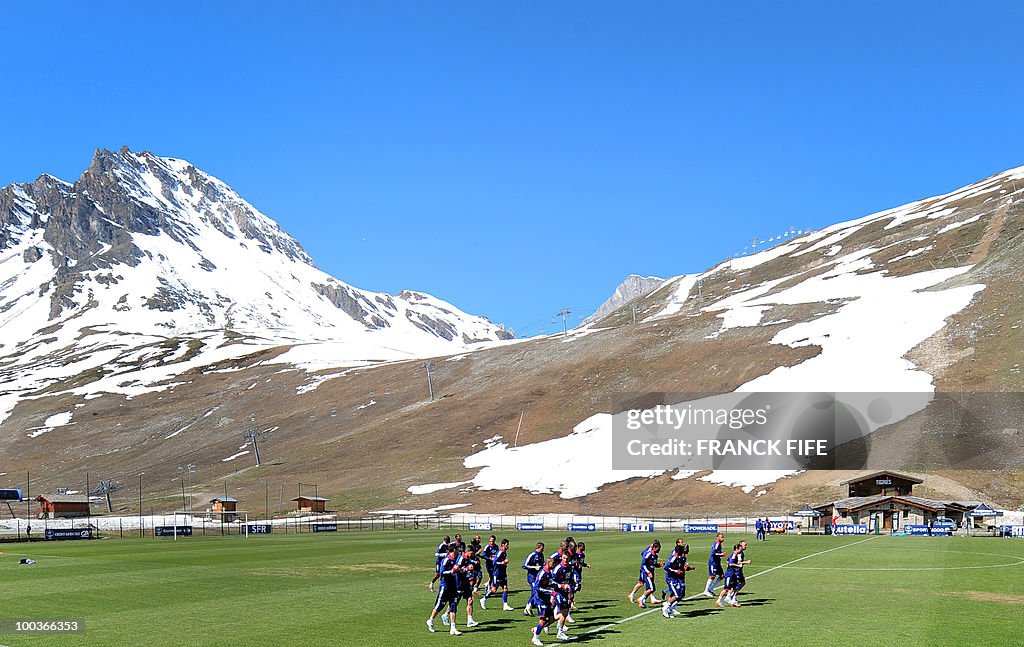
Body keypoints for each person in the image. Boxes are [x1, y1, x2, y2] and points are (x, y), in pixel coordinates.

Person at [427, 544, 462, 635]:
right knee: (439, 606)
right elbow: (442, 573)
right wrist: (452, 571)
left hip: (453, 586)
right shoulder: (446, 560)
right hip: (445, 587)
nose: (459, 551)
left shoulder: (457, 559)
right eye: (458, 549)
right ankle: (430, 620)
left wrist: (460, 570)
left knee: (453, 606)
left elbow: (457, 569)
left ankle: (453, 628)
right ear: (454, 550)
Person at [530, 558, 560, 646]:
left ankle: (536, 629)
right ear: (548, 563)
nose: (554, 565)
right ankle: (535, 638)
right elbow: (536, 587)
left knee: (552, 619)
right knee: (542, 620)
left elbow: (549, 583)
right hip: (540, 599)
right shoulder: (542, 573)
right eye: (553, 563)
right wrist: (550, 592)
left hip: (546, 599)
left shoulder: (549, 572)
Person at [662, 543, 695, 618]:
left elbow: (681, 567)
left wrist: (688, 568)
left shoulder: (680, 557)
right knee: (676, 595)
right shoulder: (674, 558)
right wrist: (675, 571)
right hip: (671, 579)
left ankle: (669, 608)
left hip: (677, 578)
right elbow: (666, 567)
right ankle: (665, 608)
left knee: (679, 594)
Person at [480, 538, 514, 611]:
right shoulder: (500, 552)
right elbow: (494, 562)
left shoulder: (504, 552)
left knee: (505, 588)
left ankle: (505, 605)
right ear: (503, 545)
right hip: (497, 574)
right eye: (507, 545)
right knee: (494, 589)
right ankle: (484, 599)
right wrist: (503, 563)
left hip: (503, 573)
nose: (508, 546)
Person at [628, 540, 662, 608]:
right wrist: (648, 572)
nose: (659, 550)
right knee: (649, 586)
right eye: (658, 548)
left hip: (650, 571)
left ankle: (644, 600)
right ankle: (640, 599)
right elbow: (643, 564)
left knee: (649, 586)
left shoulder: (655, 556)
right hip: (645, 572)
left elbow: (654, 564)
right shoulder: (649, 553)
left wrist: (659, 565)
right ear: (654, 547)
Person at [717, 540, 750, 608]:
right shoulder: (736, 554)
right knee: (727, 588)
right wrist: (744, 563)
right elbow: (731, 563)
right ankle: (724, 599)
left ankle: (731, 599)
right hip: (731, 573)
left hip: (733, 573)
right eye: (745, 545)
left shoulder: (737, 554)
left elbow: (728, 561)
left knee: (733, 587)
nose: (746, 546)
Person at [455, 545, 481, 627]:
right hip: (459, 583)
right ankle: (445, 615)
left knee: (470, 600)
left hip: (466, 582)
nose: (472, 554)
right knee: (455, 602)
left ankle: (470, 620)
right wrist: (467, 569)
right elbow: (456, 570)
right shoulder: (461, 558)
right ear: (467, 552)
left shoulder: (468, 558)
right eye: (471, 553)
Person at [522, 542, 545, 616]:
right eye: (542, 549)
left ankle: (527, 608)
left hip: (538, 577)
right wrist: (534, 567)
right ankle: (528, 608)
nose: (542, 550)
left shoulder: (541, 555)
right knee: (535, 591)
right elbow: (524, 565)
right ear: (538, 548)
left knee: (536, 592)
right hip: (531, 577)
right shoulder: (532, 555)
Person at [703, 533, 726, 597]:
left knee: (721, 576)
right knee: (712, 576)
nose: (723, 539)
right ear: (717, 537)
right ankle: (706, 591)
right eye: (721, 537)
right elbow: (713, 553)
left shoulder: (719, 544)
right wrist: (722, 554)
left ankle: (711, 588)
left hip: (717, 563)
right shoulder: (717, 544)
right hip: (713, 563)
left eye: (723, 537)